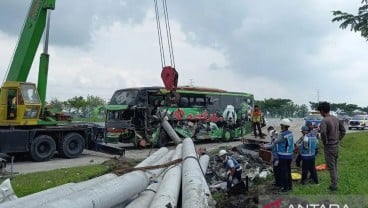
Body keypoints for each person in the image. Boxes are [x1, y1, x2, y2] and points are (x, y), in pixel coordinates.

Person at [317, 101, 346, 192]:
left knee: (331, 167)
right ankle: (335, 180)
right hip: (336, 146)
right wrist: (338, 139)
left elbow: (322, 132)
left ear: (322, 111)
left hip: (329, 147)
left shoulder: (324, 120)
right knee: (335, 165)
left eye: (320, 111)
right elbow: (343, 131)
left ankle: (334, 186)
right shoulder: (336, 119)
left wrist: (325, 141)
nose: (320, 113)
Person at [274, 118, 294, 192]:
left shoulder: (282, 135)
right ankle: (290, 186)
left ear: (283, 125)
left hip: (283, 156)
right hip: (290, 155)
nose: (280, 126)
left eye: (281, 125)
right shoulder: (290, 133)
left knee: (284, 172)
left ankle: (285, 188)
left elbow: (276, 141)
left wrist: (274, 136)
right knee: (288, 171)